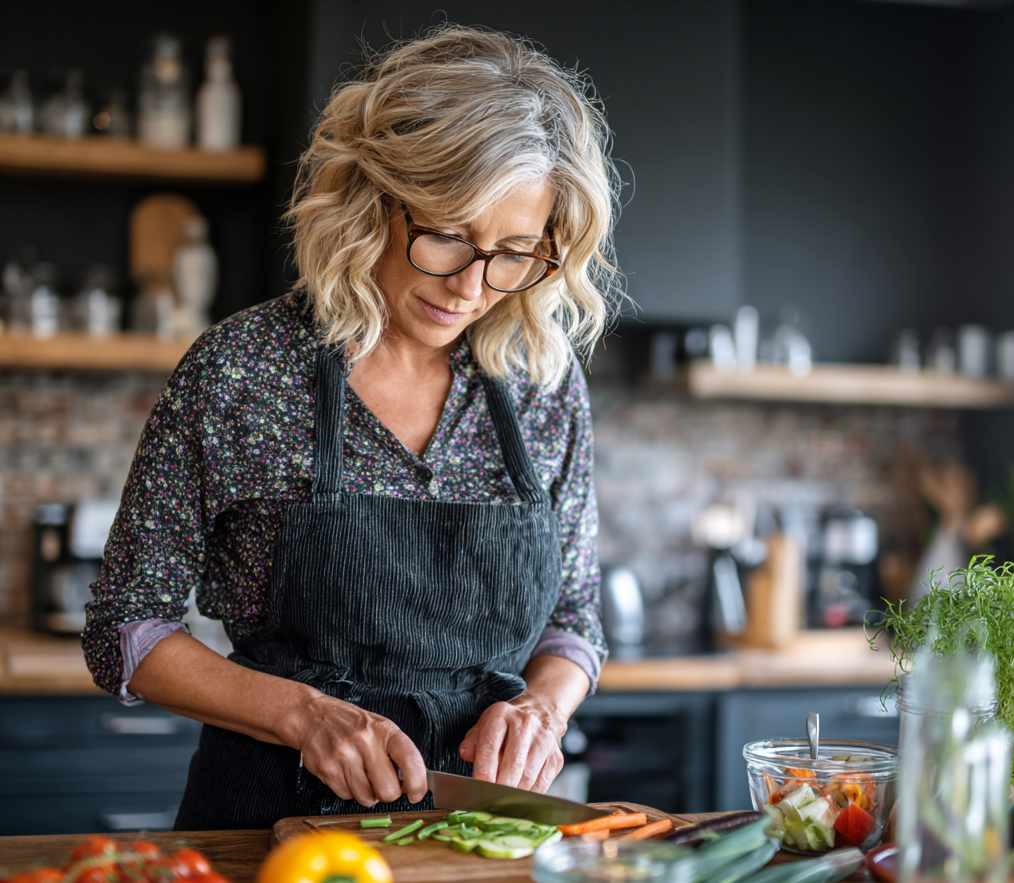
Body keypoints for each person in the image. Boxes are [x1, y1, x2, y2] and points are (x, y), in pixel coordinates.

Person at [83, 25, 620, 829]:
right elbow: (125, 627)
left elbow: (573, 622)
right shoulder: (242, 368)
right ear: (375, 198)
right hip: (270, 827)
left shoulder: (541, 383)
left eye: (512, 253)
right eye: (447, 236)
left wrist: (543, 709)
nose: (473, 288)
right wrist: (304, 716)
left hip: (483, 838)